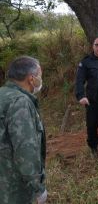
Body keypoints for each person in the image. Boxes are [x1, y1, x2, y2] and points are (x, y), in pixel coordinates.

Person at [0, 56, 47, 204]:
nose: (41, 79)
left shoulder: (3, 94)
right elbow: (25, 149)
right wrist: (37, 187)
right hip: (12, 185)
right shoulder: (20, 102)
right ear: (31, 79)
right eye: (40, 75)